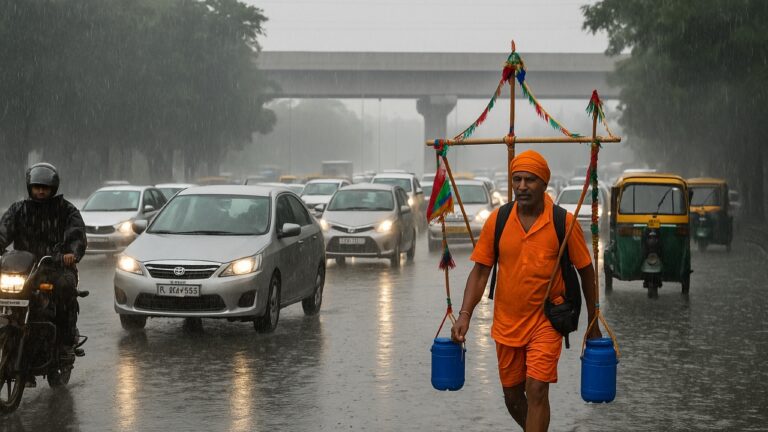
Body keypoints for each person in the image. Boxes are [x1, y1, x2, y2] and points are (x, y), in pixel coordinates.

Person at [451, 150, 601, 432]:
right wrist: (464, 315)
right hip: (506, 323)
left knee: (536, 389)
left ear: (544, 184)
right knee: (512, 395)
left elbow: (587, 272)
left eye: (529, 180)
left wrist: (593, 320)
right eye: (516, 179)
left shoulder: (563, 223)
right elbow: (481, 271)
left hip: (547, 321)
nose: (521, 186)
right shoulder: (498, 220)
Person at [0, 163, 87, 361]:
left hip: (55, 266)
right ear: (30, 187)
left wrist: (71, 253)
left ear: (52, 188)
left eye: (44, 187)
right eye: (37, 186)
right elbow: (3, 232)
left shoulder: (66, 210)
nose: (40, 190)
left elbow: (77, 236)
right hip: (23, 268)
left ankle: (65, 343)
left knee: (65, 289)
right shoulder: (18, 210)